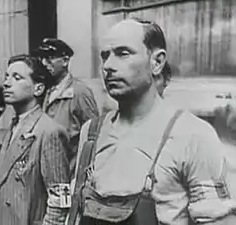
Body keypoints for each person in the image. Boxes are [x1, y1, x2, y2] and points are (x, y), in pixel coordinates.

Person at [69, 18, 236, 225]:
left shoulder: (192, 135)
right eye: (105, 56)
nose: (108, 66)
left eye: (123, 53)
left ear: (157, 62)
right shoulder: (91, 132)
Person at [0, 54, 71, 225]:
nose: (7, 83)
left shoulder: (49, 132)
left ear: (38, 88)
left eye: (17, 78)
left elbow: (59, 202)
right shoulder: (15, 125)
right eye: (7, 76)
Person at [36, 38, 99, 176]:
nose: (44, 63)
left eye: (50, 58)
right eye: (42, 58)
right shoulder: (44, 91)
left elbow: (94, 135)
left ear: (65, 61)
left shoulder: (79, 92)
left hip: (70, 173)